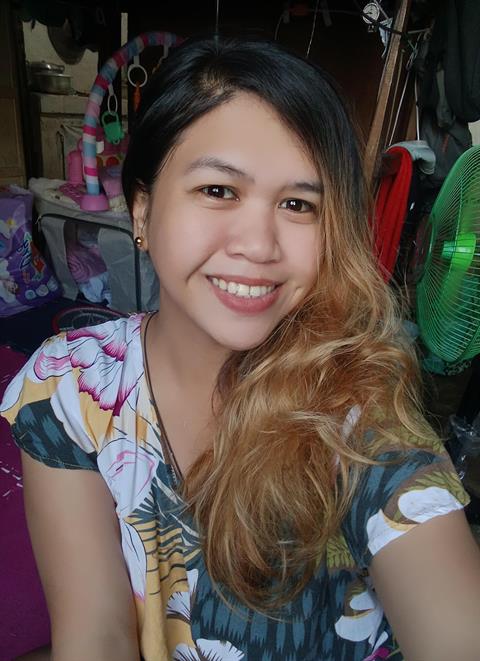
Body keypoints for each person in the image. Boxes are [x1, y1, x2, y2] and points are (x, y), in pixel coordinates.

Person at [2, 36, 480, 661]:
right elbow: (96, 633)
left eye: (298, 204)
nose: (258, 245)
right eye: (218, 190)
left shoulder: (358, 414)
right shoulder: (71, 384)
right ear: (141, 209)